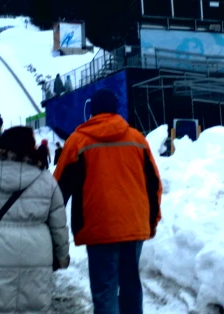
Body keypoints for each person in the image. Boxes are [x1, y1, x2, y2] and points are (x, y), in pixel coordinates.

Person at [54, 89, 162, 314]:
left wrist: (49, 224)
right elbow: (154, 185)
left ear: (91, 111)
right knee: (131, 286)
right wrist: (151, 221)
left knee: (105, 289)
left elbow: (58, 190)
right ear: (116, 110)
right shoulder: (137, 140)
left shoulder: (77, 141)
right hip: (134, 226)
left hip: (99, 227)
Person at [0, 126, 70, 313]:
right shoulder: (46, 180)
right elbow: (58, 225)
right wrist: (61, 256)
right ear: (31, 147)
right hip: (36, 255)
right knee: (32, 307)